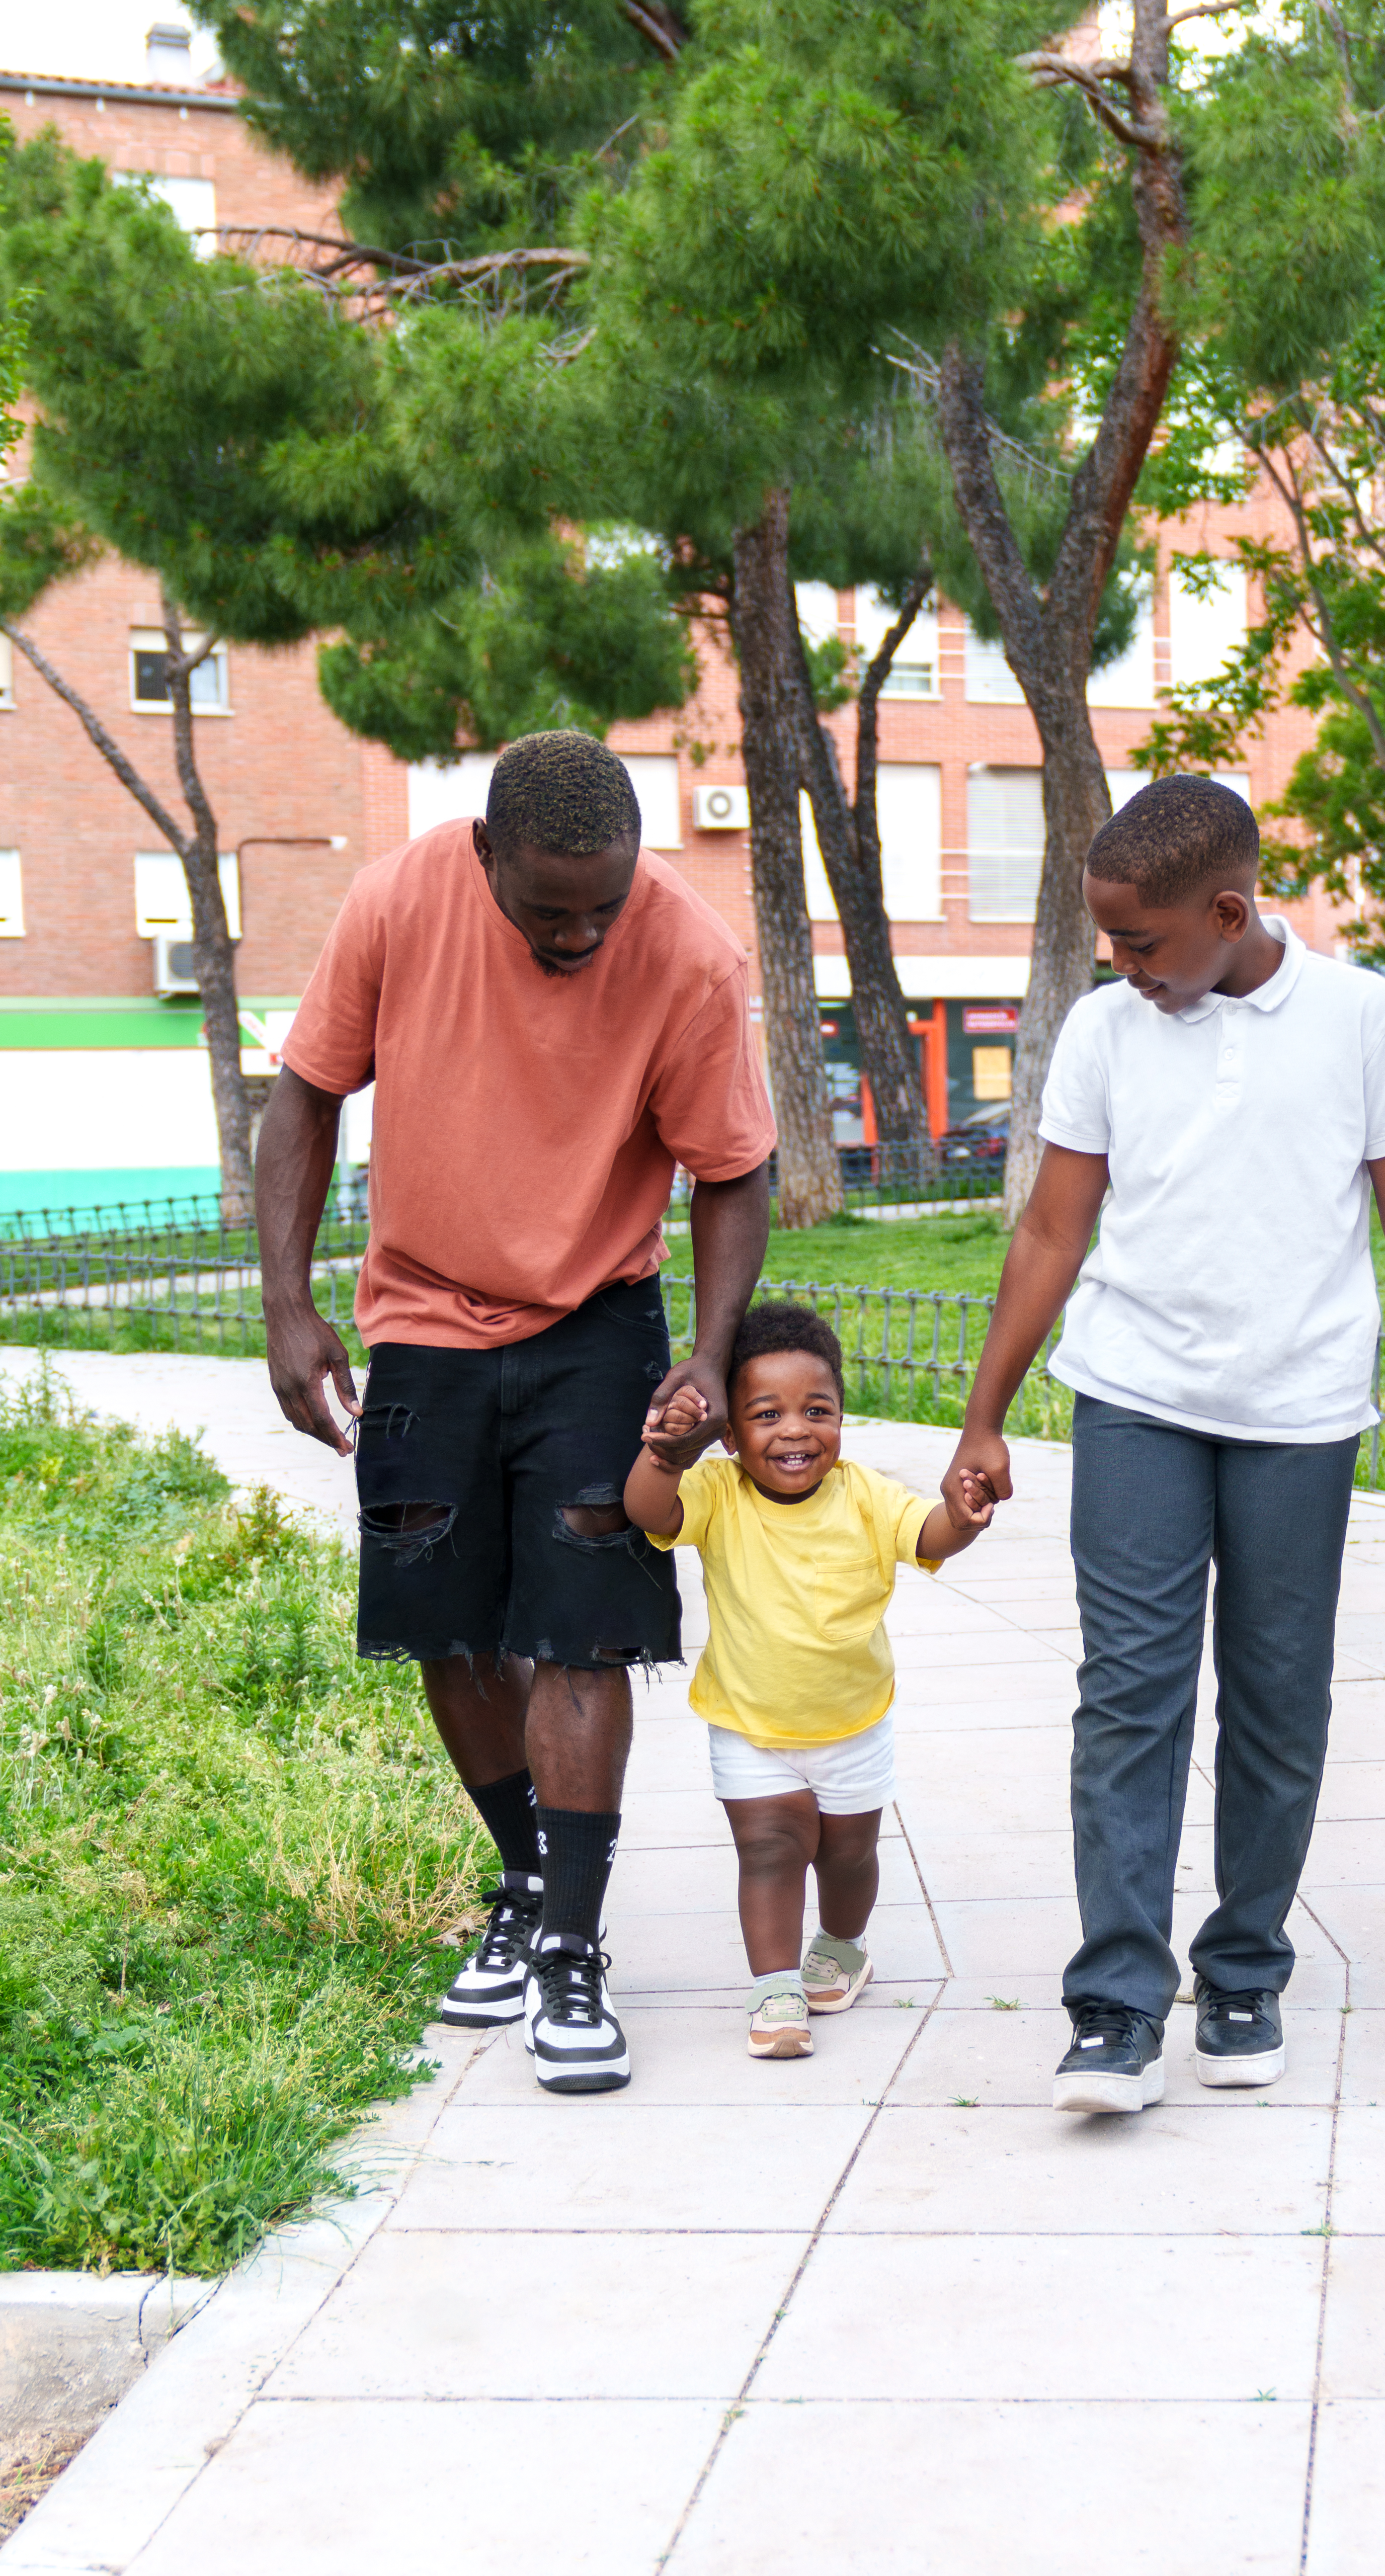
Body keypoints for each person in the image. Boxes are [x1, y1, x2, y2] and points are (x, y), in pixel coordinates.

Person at [945, 774, 1385, 2113]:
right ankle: (1117, 2002)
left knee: (1279, 1700)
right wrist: (986, 1410)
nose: (1121, 967)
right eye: (1109, 946)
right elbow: (1054, 1230)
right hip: (1134, 1399)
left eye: (1142, 944)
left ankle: (1243, 1969)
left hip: (1300, 1414)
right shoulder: (1107, 1031)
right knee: (1130, 1695)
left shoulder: (1360, 1017)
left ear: (1230, 910)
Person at [258, 729, 774, 2095]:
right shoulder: (397, 901)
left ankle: (571, 1948)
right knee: (448, 1625)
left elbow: (735, 1170)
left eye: (605, 903)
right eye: (551, 908)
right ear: (484, 855)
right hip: (421, 1314)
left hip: (599, 1319)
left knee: (585, 1633)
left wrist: (712, 1356)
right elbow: (304, 1097)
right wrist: (286, 1303)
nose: (584, 931)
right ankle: (525, 1871)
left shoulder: (690, 952)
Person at [624, 1303, 993, 2055]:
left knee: (848, 1855)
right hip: (750, 1726)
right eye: (767, 1414)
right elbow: (645, 1510)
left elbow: (928, 1537)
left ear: (842, 1418)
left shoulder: (865, 1493)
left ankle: (843, 1942)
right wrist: (666, 1455)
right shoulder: (720, 1492)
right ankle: (774, 1990)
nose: (795, 1430)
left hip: (854, 1724)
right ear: (730, 1434)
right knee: (768, 1849)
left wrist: (962, 1515)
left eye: (817, 1411)